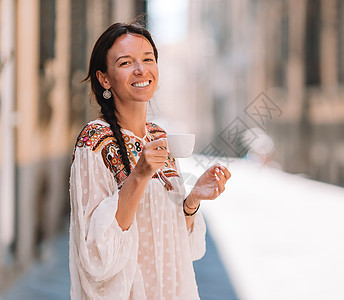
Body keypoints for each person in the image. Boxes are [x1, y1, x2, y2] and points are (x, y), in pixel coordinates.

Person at [69, 22, 231, 299]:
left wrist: (192, 201)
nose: (141, 70)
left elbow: (179, 243)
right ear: (104, 79)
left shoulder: (159, 137)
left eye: (148, 59)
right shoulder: (94, 141)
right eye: (125, 62)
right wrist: (139, 176)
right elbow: (96, 254)